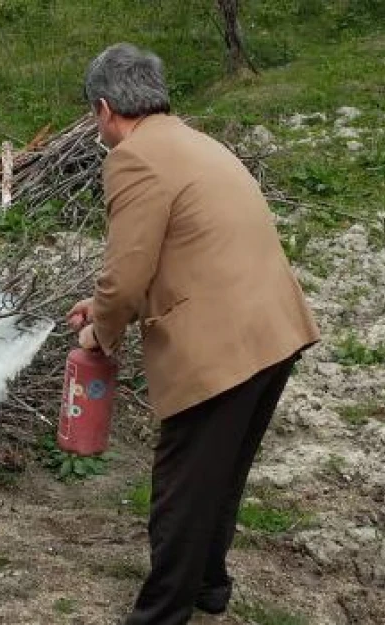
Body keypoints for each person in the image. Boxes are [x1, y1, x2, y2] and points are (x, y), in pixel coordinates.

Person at [67, 43, 320, 624]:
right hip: (272, 327)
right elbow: (177, 251)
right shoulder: (194, 141)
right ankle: (209, 585)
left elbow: (126, 275)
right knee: (221, 471)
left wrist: (101, 333)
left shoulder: (134, 159)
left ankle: (161, 614)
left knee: (181, 487)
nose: (95, 124)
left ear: (105, 109)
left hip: (223, 344)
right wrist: (107, 306)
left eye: (93, 115)